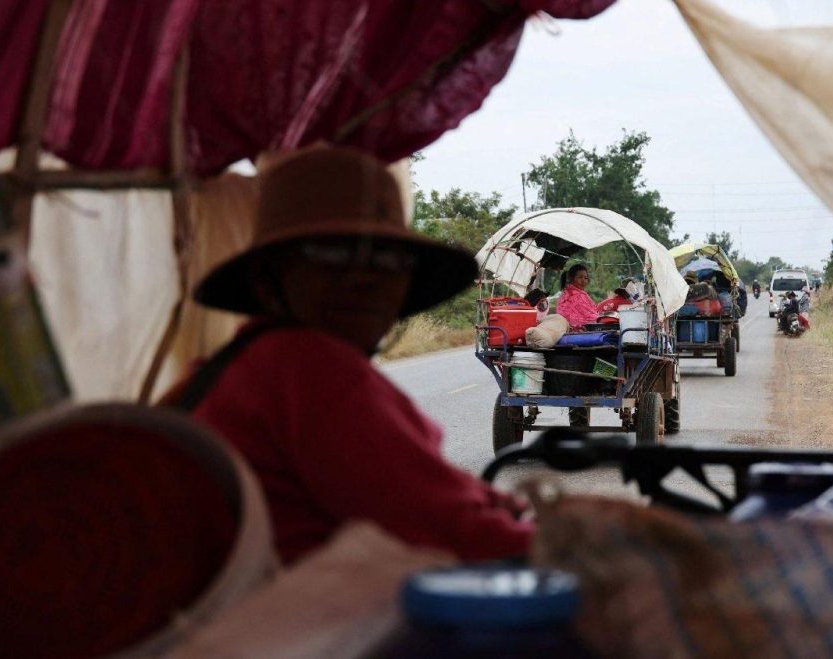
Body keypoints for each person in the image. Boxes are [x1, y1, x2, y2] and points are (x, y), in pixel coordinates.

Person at [170, 145, 533, 565]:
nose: (365, 278)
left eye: (387, 258)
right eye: (332, 253)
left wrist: (486, 500)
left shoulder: (240, 363)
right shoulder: (310, 368)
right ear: (270, 278)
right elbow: (457, 534)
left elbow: (423, 493)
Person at [556, 263, 599, 330]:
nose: (583, 281)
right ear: (571, 279)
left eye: (585, 278)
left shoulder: (568, 292)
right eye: (580, 277)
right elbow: (590, 317)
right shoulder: (575, 295)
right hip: (576, 331)